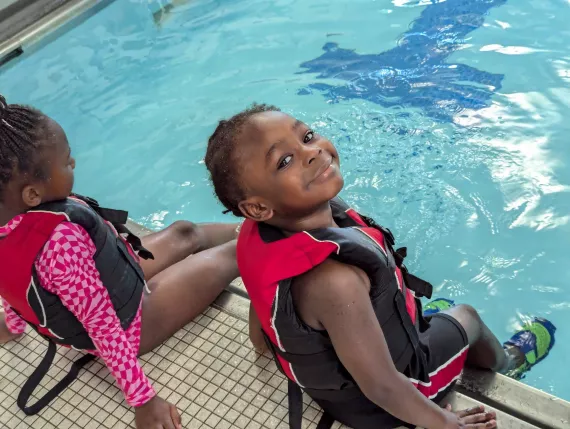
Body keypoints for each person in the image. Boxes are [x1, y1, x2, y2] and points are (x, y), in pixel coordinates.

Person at [204, 104, 556, 429]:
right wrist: (448, 424)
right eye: (284, 161)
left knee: (424, 313)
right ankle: (509, 362)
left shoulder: (260, 233)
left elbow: (264, 298)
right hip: (385, 398)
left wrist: (266, 347)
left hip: (331, 381)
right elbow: (383, 386)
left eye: (307, 136)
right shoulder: (335, 283)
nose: (312, 153)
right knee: (468, 316)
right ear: (258, 207)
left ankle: (413, 321)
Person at [0, 95, 240, 429]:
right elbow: (102, 323)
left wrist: (11, 325)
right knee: (229, 259)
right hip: (131, 326)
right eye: (67, 162)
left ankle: (250, 224)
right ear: (31, 195)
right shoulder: (59, 244)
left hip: (109, 278)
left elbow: (11, 281)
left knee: (185, 232)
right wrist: (143, 401)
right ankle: (279, 229)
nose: (74, 164)